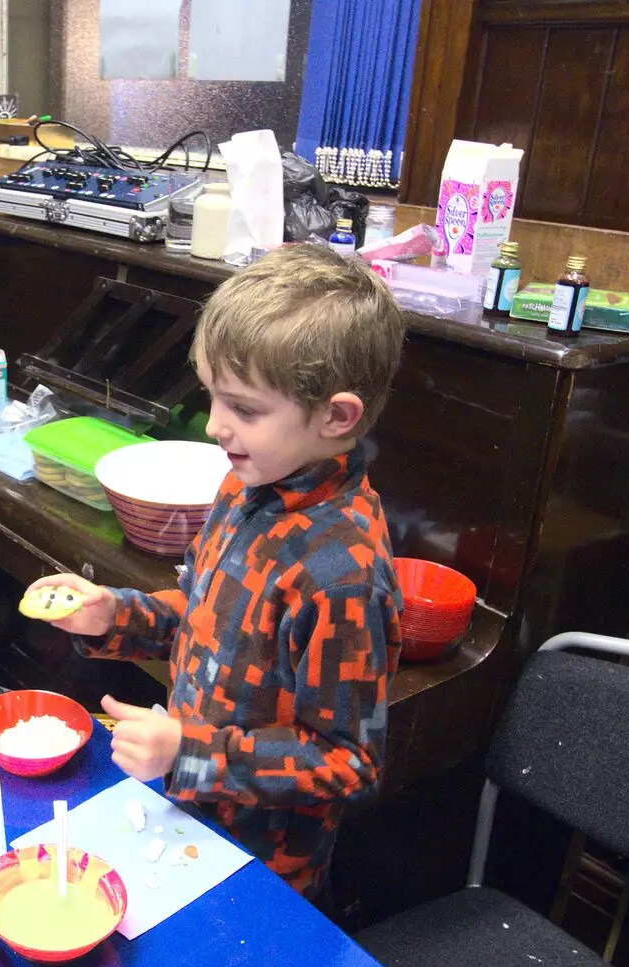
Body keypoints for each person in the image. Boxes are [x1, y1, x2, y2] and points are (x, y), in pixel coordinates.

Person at [30, 245, 405, 902]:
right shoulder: (242, 485)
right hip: (185, 820)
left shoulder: (342, 577)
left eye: (244, 409)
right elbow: (201, 617)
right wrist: (114, 615)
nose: (214, 424)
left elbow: (351, 763)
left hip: (263, 869)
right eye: (211, 395)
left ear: (336, 417)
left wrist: (190, 752)